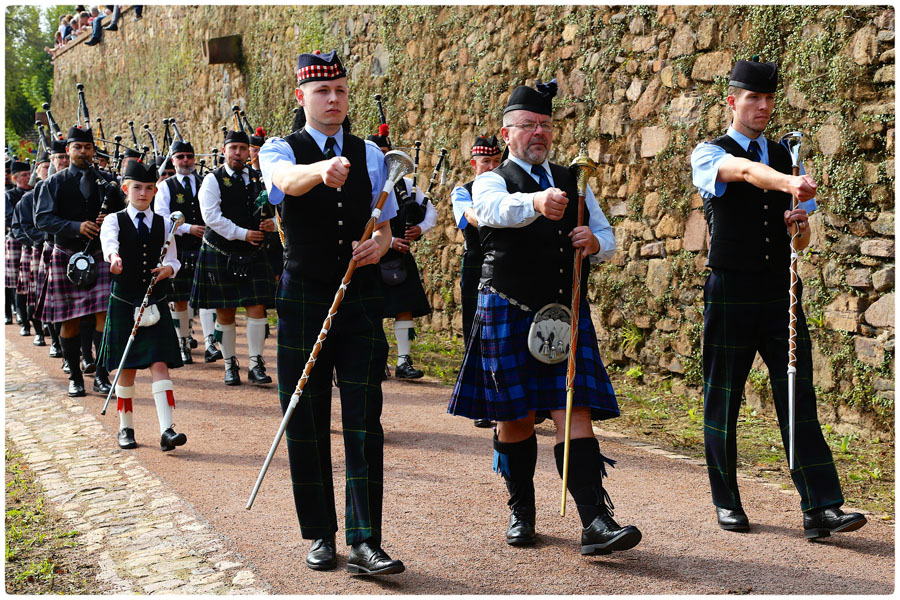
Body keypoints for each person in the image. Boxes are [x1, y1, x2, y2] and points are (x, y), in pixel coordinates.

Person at [448, 80, 642, 556]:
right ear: (507, 133)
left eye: (546, 125)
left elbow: (605, 234)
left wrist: (594, 244)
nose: (539, 133)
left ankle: (596, 520)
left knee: (572, 409)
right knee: (514, 419)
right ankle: (522, 512)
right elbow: (490, 211)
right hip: (507, 309)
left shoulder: (572, 179)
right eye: (529, 125)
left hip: (563, 312)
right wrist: (535, 203)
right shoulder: (490, 180)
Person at [690, 57, 867, 539]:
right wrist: (789, 181)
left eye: (769, 98)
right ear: (732, 101)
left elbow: (804, 239)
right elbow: (746, 172)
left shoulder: (789, 154)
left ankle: (821, 507)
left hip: (780, 293)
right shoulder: (710, 154)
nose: (763, 106)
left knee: (798, 395)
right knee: (722, 397)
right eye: (753, 99)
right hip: (729, 290)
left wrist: (800, 227)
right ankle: (726, 501)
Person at [259, 49, 404, 576]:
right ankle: (321, 533)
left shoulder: (371, 155)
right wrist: (322, 169)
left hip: (360, 297)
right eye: (323, 91)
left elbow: (386, 222)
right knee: (306, 415)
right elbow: (286, 183)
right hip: (303, 295)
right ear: (302, 97)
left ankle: (367, 540)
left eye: (341, 89)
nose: (335, 99)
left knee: (365, 418)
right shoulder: (279, 148)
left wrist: (381, 245)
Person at [98, 160, 186, 451]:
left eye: (149, 188)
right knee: (128, 368)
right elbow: (108, 243)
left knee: (159, 363)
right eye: (137, 187)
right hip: (125, 300)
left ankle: (167, 430)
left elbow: (173, 259)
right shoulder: (114, 220)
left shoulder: (164, 222)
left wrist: (169, 270)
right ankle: (126, 428)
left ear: (155, 189)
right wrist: (114, 259)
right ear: (126, 188)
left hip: (155, 299)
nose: (143, 193)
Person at [35, 126, 123, 396]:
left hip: (99, 254)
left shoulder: (107, 182)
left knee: (103, 315)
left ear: (93, 150)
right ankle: (75, 377)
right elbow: (42, 219)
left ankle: (100, 375)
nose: (82, 152)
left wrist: (108, 220)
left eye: (87, 147)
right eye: (77, 147)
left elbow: (122, 214)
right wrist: (76, 226)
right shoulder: (55, 182)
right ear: (68, 150)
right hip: (67, 254)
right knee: (69, 319)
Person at [190, 129, 276, 386]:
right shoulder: (212, 180)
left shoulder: (260, 178)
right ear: (224, 151)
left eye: (243, 148)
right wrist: (243, 234)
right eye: (233, 148)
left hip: (254, 253)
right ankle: (230, 365)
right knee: (225, 312)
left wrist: (272, 222)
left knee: (257, 309)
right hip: (221, 251)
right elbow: (211, 217)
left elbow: (279, 207)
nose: (238, 153)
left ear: (249, 151)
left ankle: (255, 364)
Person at [366, 124, 436, 380]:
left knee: (404, 308)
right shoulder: (366, 183)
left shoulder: (407, 185)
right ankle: (376, 359)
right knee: (372, 310)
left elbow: (431, 212)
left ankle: (404, 361)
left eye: (388, 155)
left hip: (401, 258)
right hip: (373, 255)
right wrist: (391, 239)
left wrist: (419, 229)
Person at [154, 139, 222, 364]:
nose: (186, 161)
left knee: (207, 299)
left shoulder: (205, 181)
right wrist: (188, 228)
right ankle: (183, 343)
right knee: (180, 300)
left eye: (189, 156)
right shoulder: (166, 186)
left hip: (206, 247)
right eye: (180, 156)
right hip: (180, 248)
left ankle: (211, 343)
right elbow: (162, 218)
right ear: (173, 160)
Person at [451, 134, 503, 428]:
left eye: (497, 161)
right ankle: (484, 404)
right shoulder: (463, 192)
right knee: (477, 330)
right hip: (476, 264)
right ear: (474, 164)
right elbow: (470, 217)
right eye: (486, 162)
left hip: (507, 265)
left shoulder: (508, 187)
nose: (492, 167)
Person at [10, 154, 51, 345]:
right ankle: (29, 324)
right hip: (29, 246)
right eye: (24, 175)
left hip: (51, 247)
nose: (27, 178)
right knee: (27, 288)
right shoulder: (14, 197)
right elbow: (16, 225)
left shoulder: (52, 191)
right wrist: (37, 242)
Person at [6, 160, 33, 331]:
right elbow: (8, 218)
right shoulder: (9, 196)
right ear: (15, 178)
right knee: (19, 283)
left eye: (29, 174)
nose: (28, 178)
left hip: (35, 239)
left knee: (32, 283)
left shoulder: (38, 191)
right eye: (23, 175)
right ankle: (22, 320)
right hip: (16, 240)